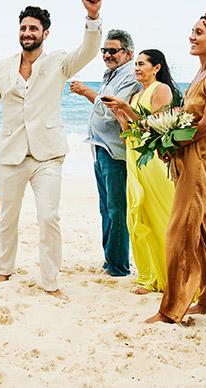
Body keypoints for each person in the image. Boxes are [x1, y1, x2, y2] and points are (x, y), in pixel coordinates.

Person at [0, 0, 104, 299]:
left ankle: (51, 281)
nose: (27, 33)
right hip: (11, 155)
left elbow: (89, 51)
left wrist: (92, 17)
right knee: (8, 217)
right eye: (23, 28)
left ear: (45, 33)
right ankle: (4, 269)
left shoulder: (59, 63)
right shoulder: (2, 67)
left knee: (49, 217)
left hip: (47, 154)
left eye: (33, 28)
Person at [145, 13, 206, 324]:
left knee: (180, 228)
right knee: (200, 225)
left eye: (198, 32)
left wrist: (174, 144)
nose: (191, 37)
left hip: (202, 152)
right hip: (187, 151)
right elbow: (187, 115)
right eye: (192, 32)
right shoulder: (201, 71)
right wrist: (167, 140)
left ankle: (171, 309)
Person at [102, 49, 179, 295]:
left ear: (156, 67)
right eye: (135, 64)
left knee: (159, 213)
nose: (136, 68)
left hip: (153, 161)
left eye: (142, 63)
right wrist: (122, 116)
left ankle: (169, 276)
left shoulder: (160, 90)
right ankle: (150, 274)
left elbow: (156, 128)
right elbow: (131, 132)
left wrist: (127, 109)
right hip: (135, 158)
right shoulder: (137, 95)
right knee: (138, 215)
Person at [68, 29, 142, 277]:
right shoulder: (111, 74)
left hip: (115, 151)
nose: (108, 55)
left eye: (113, 51)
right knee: (105, 208)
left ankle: (118, 266)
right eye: (105, 50)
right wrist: (91, 94)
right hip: (100, 146)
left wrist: (87, 92)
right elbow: (104, 106)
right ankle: (111, 260)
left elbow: (114, 108)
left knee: (116, 209)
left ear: (128, 53)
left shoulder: (130, 75)